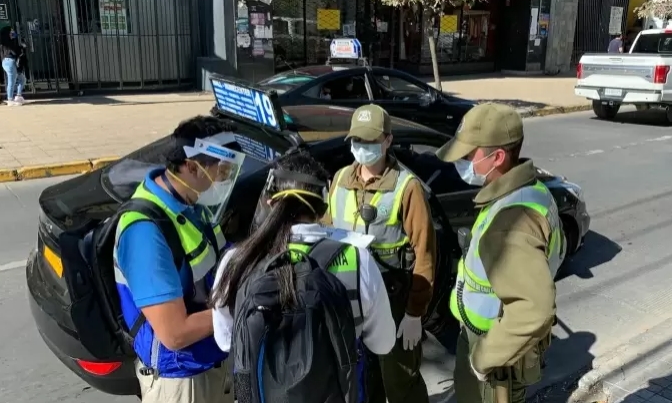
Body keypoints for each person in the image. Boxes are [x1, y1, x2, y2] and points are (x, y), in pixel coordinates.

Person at [210, 149, 396, 400]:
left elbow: (226, 343)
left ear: (269, 200)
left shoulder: (237, 261)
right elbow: (383, 344)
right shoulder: (357, 258)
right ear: (322, 206)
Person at [435, 103, 563, 403]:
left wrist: (484, 358)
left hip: (495, 356)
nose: (463, 162)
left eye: (469, 154)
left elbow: (535, 309)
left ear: (498, 157)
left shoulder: (509, 222)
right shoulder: (535, 192)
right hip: (498, 347)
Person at [114, 115, 243, 403]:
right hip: (180, 382)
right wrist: (241, 307)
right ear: (191, 166)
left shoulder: (192, 202)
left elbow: (219, 260)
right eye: (220, 169)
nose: (224, 177)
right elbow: (174, 333)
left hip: (210, 364)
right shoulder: (145, 233)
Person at [325, 104, 436, 403]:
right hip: (350, 296)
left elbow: (424, 254)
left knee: (400, 379)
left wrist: (414, 313)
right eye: (357, 141)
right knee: (365, 376)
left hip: (394, 298)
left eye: (370, 142)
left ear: (388, 140)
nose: (362, 148)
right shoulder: (340, 180)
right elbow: (325, 233)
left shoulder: (406, 187)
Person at [0, 26, 24, 106]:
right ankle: (10, 99)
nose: (13, 32)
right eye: (11, 31)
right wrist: (20, 48)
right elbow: (13, 52)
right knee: (11, 81)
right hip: (9, 62)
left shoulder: (11, 41)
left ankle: (18, 96)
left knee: (22, 79)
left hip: (11, 62)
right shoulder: (5, 43)